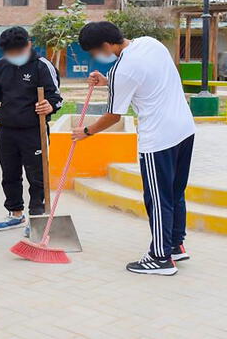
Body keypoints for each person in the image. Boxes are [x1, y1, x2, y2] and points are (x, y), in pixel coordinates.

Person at [74, 21, 195, 276]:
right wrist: (108, 81)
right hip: (184, 129)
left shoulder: (122, 69)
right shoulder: (150, 43)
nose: (97, 57)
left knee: (158, 198)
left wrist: (86, 132)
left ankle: (160, 257)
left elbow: (113, 116)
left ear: (106, 46)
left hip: (158, 139)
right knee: (174, 192)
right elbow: (143, 80)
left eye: (95, 53)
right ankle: (175, 245)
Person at [0, 26, 63, 235]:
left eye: (18, 52)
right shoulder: (1, 65)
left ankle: (36, 217)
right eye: (10, 53)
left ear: (29, 45)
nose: (14, 56)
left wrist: (49, 106)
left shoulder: (43, 66)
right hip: (7, 129)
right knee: (9, 174)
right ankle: (15, 213)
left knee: (37, 175)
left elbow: (57, 98)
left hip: (34, 130)